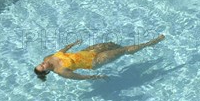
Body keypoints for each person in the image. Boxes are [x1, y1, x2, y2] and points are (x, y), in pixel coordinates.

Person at [34, 34, 165, 81]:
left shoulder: (47, 58)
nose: (43, 63)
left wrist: (72, 44)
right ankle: (150, 44)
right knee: (124, 50)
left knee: (111, 44)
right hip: (94, 61)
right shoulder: (62, 71)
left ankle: (131, 49)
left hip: (87, 51)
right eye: (42, 66)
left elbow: (61, 51)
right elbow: (79, 77)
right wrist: (96, 77)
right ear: (46, 71)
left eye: (41, 63)